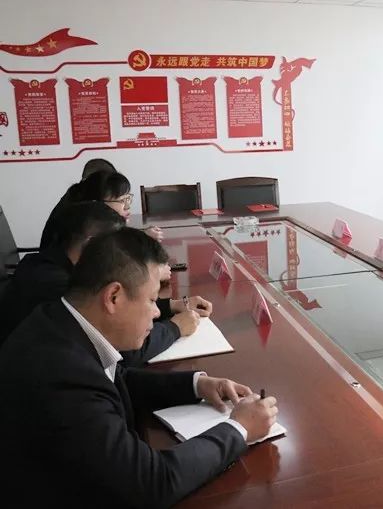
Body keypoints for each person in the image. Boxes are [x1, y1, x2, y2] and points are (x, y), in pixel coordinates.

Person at [0, 228, 278, 507]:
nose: (157, 312)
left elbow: (115, 379)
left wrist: (197, 385)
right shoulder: (62, 374)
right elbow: (151, 483)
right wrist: (239, 428)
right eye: (152, 300)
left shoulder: (57, 321)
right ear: (114, 297)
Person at [0, 202, 205, 364]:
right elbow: (126, 351)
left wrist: (170, 305)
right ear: (92, 245)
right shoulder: (56, 285)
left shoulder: (48, 264)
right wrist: (175, 327)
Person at [40, 170, 163, 248]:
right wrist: (141, 239)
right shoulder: (81, 228)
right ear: (97, 203)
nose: (127, 206)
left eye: (128, 199)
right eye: (122, 200)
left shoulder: (86, 218)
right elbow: (112, 254)